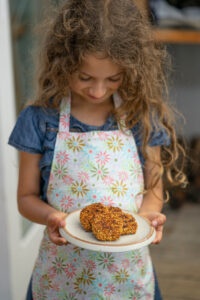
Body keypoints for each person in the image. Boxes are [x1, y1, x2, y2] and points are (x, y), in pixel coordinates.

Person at [8, 0, 187, 299]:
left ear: (130, 70)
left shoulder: (140, 116)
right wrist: (53, 217)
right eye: (85, 78)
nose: (98, 91)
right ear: (63, 63)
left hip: (127, 274)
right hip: (62, 274)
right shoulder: (39, 120)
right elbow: (25, 198)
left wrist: (148, 216)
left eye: (113, 79)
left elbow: (153, 189)